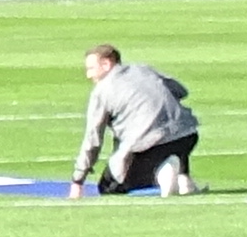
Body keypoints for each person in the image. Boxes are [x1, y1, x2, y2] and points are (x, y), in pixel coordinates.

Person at [73, 43, 203, 197]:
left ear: (106, 64)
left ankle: (162, 175)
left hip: (149, 143)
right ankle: (183, 178)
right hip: (187, 135)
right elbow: (181, 91)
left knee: (109, 187)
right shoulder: (143, 70)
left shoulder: (101, 92)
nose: (88, 75)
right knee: (171, 138)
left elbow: (93, 139)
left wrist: (78, 180)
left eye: (91, 69)